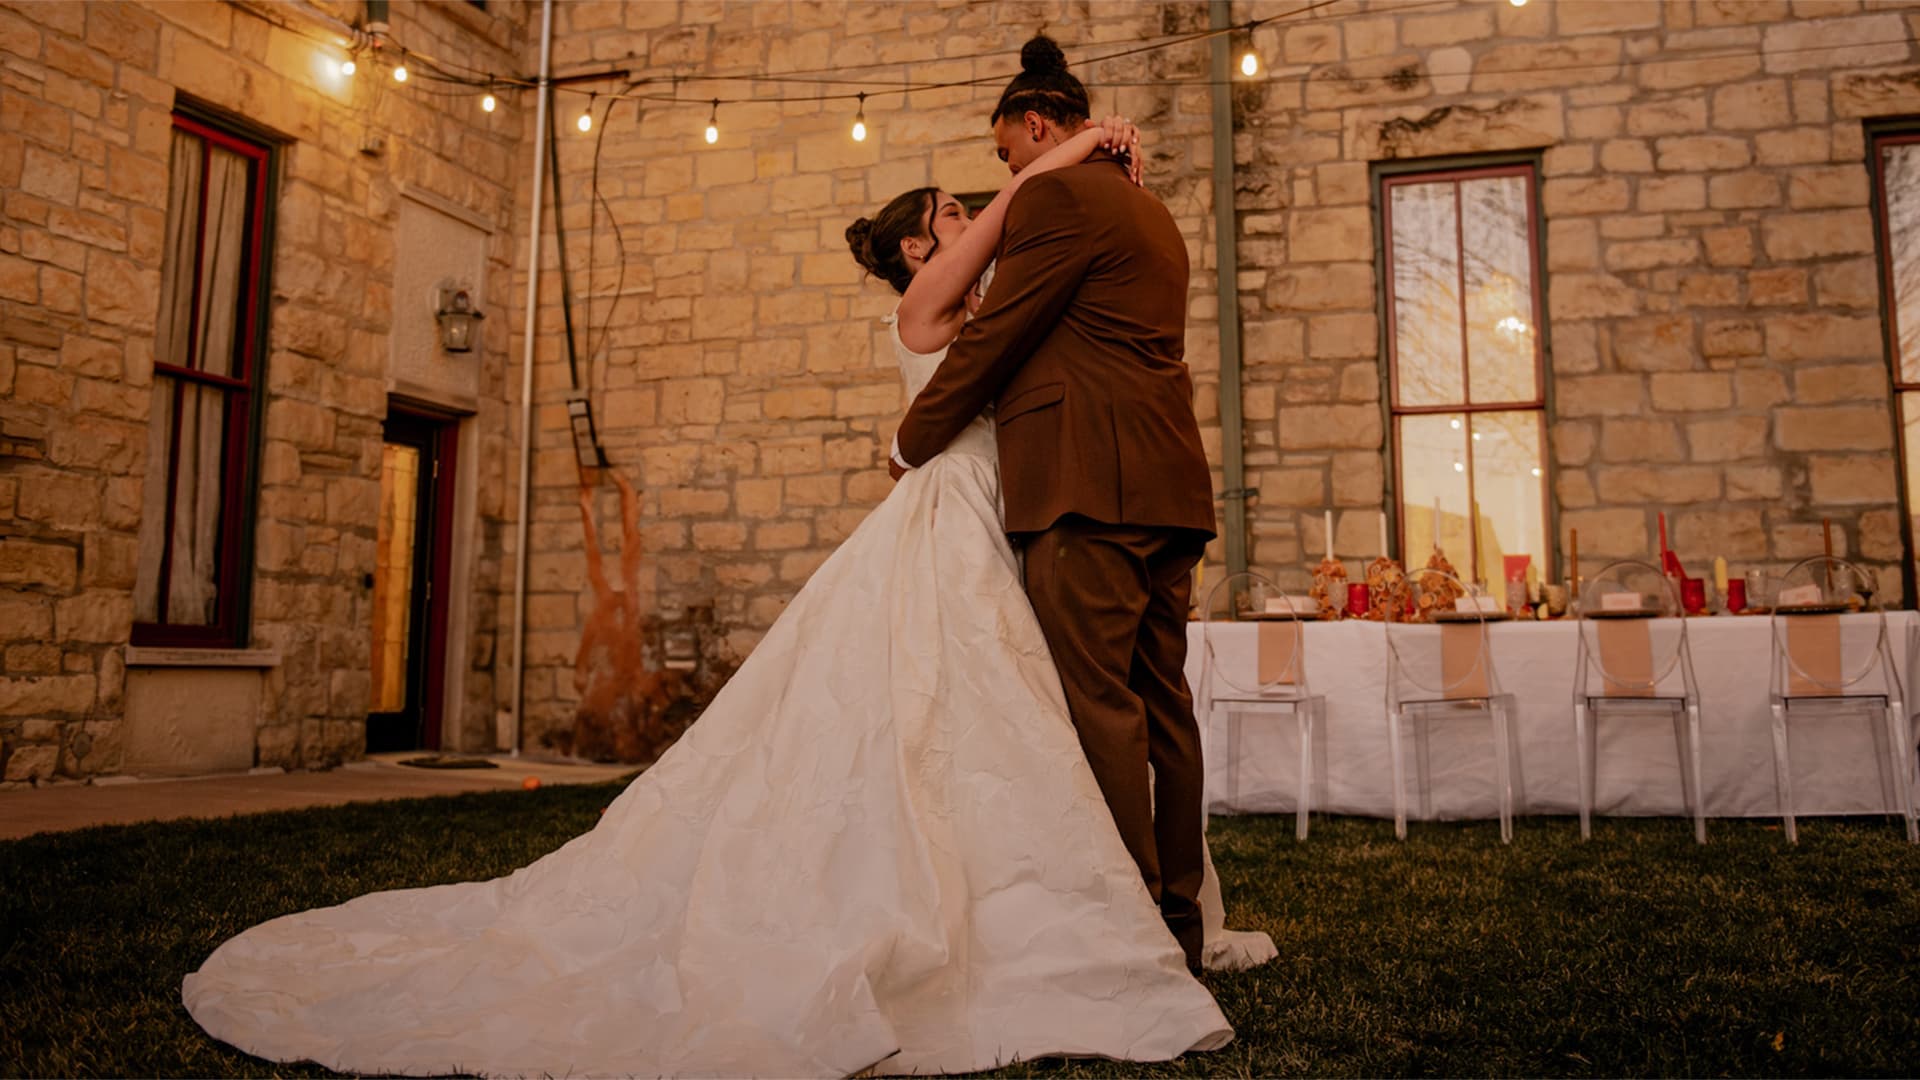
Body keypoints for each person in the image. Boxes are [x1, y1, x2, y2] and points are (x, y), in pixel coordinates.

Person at [181, 108, 1240, 1080]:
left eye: (995, 169)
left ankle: (1117, 918)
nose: (982, 197)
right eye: (951, 214)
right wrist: (1077, 154)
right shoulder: (1053, 251)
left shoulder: (1045, 236)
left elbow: (1015, 333)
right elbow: (1002, 321)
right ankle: (1137, 920)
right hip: (1048, 501)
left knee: (1066, 711)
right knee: (1056, 712)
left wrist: (914, 433)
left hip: (1056, 498)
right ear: (919, 250)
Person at [892, 33, 1219, 974]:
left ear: (1037, 126)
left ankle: (1132, 930)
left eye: (1004, 153)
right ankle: (1181, 921)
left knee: (1098, 707)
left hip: (1086, 489)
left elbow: (995, 335)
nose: (1006, 172)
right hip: (1167, 487)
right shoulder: (1151, 212)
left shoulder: (1059, 194)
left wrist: (912, 442)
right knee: (1166, 708)